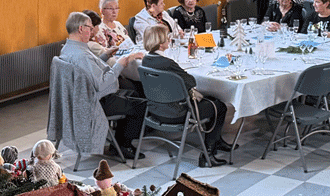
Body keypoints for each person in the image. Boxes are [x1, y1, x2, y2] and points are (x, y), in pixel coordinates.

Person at [141, 25, 232, 167]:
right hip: (177, 113)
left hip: (155, 111)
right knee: (219, 106)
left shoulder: (146, 60)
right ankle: (208, 154)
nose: (169, 40)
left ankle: (216, 141)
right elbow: (191, 81)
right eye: (167, 38)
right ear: (161, 43)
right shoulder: (167, 63)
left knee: (211, 100)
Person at [59, 12, 146, 159]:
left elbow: (90, 68)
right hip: (94, 103)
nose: (92, 31)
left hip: (77, 100)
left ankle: (119, 139)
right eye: (90, 28)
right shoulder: (82, 55)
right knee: (141, 104)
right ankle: (122, 145)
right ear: (81, 29)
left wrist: (105, 56)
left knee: (133, 94)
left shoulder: (68, 49)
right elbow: (104, 83)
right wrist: (120, 64)